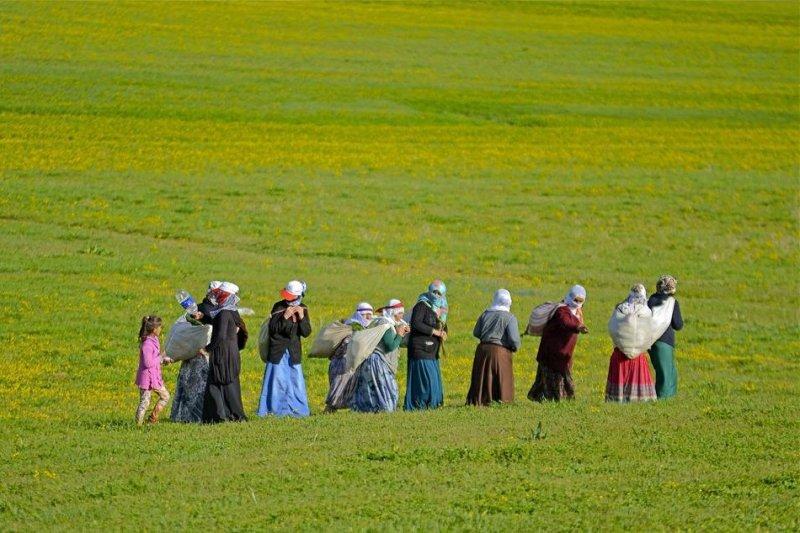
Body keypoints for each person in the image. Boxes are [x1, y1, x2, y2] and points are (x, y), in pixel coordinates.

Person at [257, 280, 312, 418]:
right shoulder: (278, 306)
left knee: (295, 382)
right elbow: (273, 329)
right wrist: (285, 317)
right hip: (277, 351)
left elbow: (306, 332)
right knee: (276, 381)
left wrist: (301, 317)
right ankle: (273, 410)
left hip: (293, 352)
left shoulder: (303, 308)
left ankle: (298, 410)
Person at [527, 285, 589, 402]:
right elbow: (565, 321)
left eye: (580, 301)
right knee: (551, 379)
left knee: (561, 378)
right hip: (552, 352)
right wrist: (578, 326)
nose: (577, 303)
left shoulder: (577, 311)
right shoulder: (561, 310)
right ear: (570, 297)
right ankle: (554, 401)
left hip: (563, 353)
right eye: (575, 300)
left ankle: (559, 401)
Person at [170, 281, 219, 423]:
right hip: (202, 355)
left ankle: (183, 416)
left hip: (193, 353)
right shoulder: (206, 309)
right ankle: (196, 416)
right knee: (198, 387)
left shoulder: (199, 307)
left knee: (188, 385)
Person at [350, 299, 410, 413]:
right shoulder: (385, 324)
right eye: (400, 313)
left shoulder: (387, 323)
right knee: (386, 388)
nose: (402, 316)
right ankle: (385, 409)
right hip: (378, 363)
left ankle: (373, 410)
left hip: (374, 362)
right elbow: (390, 346)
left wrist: (402, 334)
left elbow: (396, 343)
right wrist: (400, 334)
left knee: (374, 389)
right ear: (394, 313)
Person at [201, 282, 249, 423]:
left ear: (227, 296)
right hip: (230, 352)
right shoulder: (231, 310)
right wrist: (203, 317)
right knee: (230, 384)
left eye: (221, 294)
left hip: (223, 353)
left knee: (214, 385)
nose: (218, 296)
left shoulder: (224, 312)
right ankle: (232, 415)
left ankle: (218, 417)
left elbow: (220, 335)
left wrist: (207, 349)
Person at [467, 289, 520, 405]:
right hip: (500, 352)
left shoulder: (485, 314)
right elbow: (514, 339)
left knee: (482, 377)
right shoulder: (510, 318)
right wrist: (514, 347)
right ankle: (501, 400)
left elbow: (476, 332)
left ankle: (480, 400)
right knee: (501, 378)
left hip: (483, 350)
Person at [605, 284, 657, 402]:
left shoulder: (620, 308)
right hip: (638, 357)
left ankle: (617, 401)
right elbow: (649, 331)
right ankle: (638, 401)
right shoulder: (646, 311)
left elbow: (613, 328)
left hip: (619, 356)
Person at [404, 280, 448, 410]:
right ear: (429, 291)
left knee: (434, 380)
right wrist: (435, 332)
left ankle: (433, 404)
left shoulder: (441, 307)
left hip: (432, 351)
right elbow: (416, 324)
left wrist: (444, 332)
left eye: (439, 293)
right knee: (426, 380)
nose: (436, 295)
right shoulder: (422, 305)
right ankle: (420, 404)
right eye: (434, 292)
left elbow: (443, 326)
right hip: (420, 349)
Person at [324, 302, 373, 413]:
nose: (369, 317)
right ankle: (329, 410)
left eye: (370, 314)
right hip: (343, 363)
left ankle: (351, 409)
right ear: (360, 314)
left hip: (347, 363)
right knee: (339, 388)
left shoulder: (355, 325)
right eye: (366, 315)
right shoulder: (354, 326)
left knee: (349, 387)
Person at [648, 275, 683, 399]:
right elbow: (678, 325)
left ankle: (669, 399)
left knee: (662, 370)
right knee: (666, 373)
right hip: (665, 341)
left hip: (650, 341)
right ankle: (664, 400)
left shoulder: (651, 299)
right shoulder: (672, 303)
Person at [134, 315, 173, 425]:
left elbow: (156, 358)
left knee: (165, 396)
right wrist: (160, 358)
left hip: (155, 377)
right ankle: (138, 425)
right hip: (146, 378)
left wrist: (163, 359)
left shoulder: (155, 340)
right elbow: (148, 363)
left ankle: (152, 418)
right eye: (160, 327)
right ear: (154, 329)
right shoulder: (147, 344)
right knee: (144, 403)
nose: (161, 329)